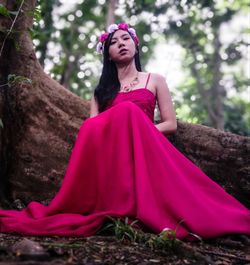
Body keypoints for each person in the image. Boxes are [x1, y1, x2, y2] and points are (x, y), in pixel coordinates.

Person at [0, 22, 249, 240]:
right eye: (113, 42)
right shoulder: (101, 92)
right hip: (112, 158)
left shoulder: (155, 79)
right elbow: (92, 129)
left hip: (144, 150)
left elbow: (170, 124)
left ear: (136, 45)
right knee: (118, 114)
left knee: (128, 111)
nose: (120, 44)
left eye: (126, 39)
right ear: (107, 54)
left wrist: (137, 132)